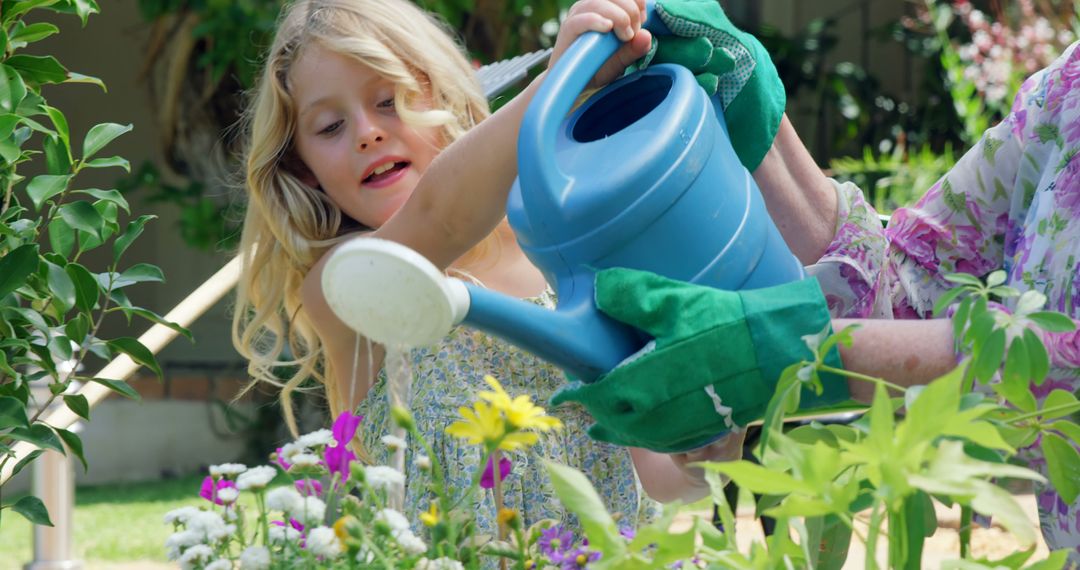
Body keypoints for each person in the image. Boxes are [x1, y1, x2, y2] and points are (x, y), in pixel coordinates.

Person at [555, 16, 1080, 559]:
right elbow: (913, 287)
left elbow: (1061, 362)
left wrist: (784, 347)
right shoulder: (1069, 90)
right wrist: (756, 119)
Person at [230, 0, 744, 540]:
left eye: (389, 100)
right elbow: (441, 216)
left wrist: (697, 453)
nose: (366, 132)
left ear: (445, 97)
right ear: (302, 171)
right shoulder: (347, 285)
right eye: (330, 126)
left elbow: (656, 472)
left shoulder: (568, 247)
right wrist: (560, 82)